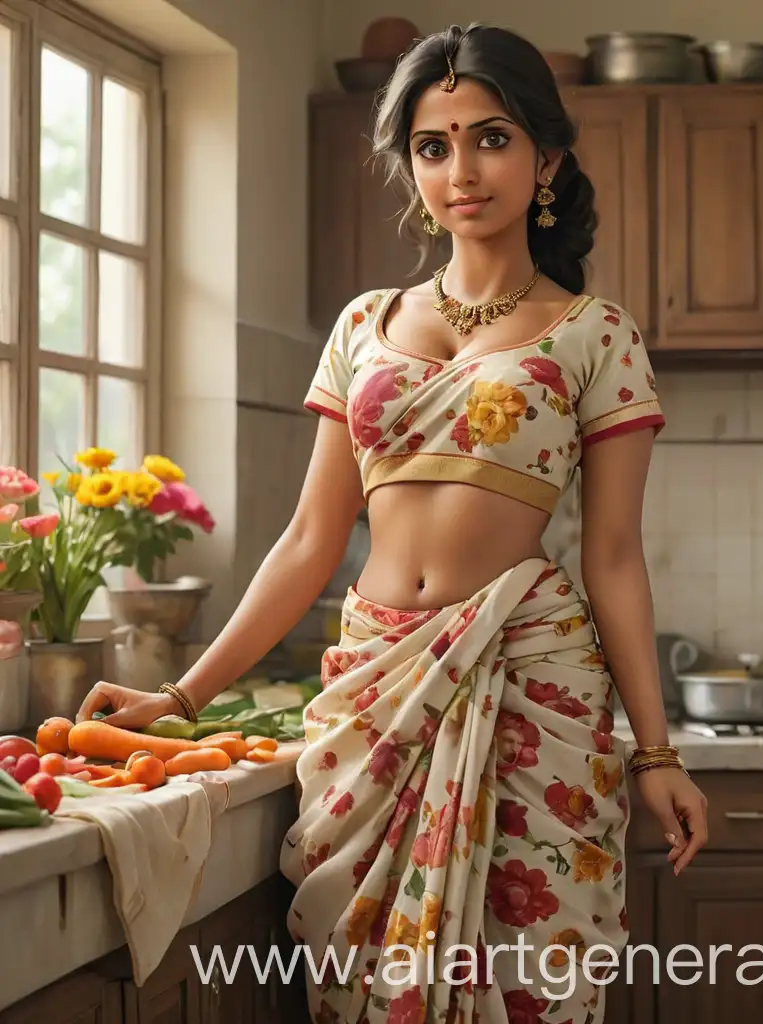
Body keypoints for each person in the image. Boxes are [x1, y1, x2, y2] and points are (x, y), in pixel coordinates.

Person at [76, 22, 709, 1024]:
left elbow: (615, 557)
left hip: (527, 694)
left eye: (490, 138)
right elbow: (307, 541)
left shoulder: (596, 333)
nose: (462, 169)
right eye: (432, 144)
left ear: (545, 157)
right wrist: (183, 695)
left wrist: (657, 751)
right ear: (410, 166)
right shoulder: (362, 324)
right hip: (374, 697)